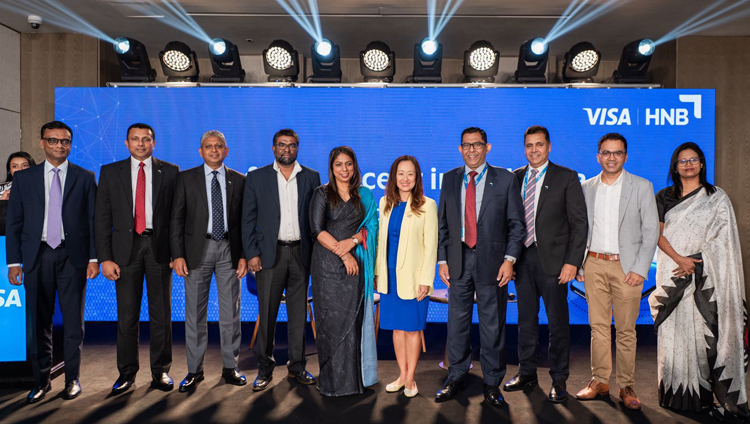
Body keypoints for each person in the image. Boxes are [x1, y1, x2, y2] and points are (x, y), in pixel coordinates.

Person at [649, 142, 749, 420]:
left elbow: (724, 239)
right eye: (682, 161)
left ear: (702, 163)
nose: (688, 164)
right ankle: (676, 395)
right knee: (674, 330)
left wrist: (696, 260)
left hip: (705, 274)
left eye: (693, 160)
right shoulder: (664, 196)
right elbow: (656, 234)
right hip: (672, 270)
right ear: (675, 166)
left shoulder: (717, 197)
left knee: (702, 333)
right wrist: (679, 259)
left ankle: (704, 396)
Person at [6, 121, 99, 403]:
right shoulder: (24, 178)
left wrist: (94, 258)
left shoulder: (85, 177)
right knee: (38, 323)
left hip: (74, 257)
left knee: (73, 324)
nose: (60, 145)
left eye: (65, 141)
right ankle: (41, 381)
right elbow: (14, 223)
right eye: (54, 140)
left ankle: (72, 379)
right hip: (37, 256)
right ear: (42, 143)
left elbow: (93, 222)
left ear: (71, 144)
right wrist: (13, 262)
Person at [435, 127, 525, 406]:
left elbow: (516, 225)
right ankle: (456, 377)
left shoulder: (505, 179)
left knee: (492, 327)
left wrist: (509, 260)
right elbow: (443, 223)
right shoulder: (450, 178)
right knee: (457, 325)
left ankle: (492, 384)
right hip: (458, 261)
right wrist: (442, 260)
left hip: (494, 264)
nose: (471, 150)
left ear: (488, 148)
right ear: (459, 149)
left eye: (477, 145)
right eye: (466, 145)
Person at [575, 133, 659, 410]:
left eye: (617, 153)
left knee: (625, 330)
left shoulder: (642, 186)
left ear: (625, 156)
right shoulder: (586, 187)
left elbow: (651, 231)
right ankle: (600, 381)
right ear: (598, 156)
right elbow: (580, 229)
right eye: (606, 152)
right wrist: (580, 264)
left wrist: (640, 269)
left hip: (628, 267)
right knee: (598, 327)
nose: (611, 157)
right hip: (594, 264)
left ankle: (626, 386)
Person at [94, 123, 180, 394]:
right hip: (124, 252)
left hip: (159, 250)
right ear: (126, 143)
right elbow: (101, 219)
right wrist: (105, 258)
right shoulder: (110, 172)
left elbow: (177, 218)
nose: (141, 144)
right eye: (135, 139)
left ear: (154, 143)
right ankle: (127, 373)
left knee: (161, 315)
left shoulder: (171, 171)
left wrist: (177, 253)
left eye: (146, 139)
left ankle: (161, 370)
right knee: (127, 316)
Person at [504, 126, 587, 402]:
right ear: (524, 148)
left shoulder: (566, 176)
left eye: (539, 145)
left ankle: (559, 378)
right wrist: (509, 259)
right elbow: (508, 223)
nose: (534, 150)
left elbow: (579, 224)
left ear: (549, 147)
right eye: (529, 145)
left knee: (557, 324)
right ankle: (527, 372)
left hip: (555, 262)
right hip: (523, 260)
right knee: (525, 321)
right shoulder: (515, 178)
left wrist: (572, 262)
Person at [242, 128, 321, 391]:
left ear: (298, 148)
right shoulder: (256, 177)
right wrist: (252, 254)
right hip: (268, 255)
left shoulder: (311, 176)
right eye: (282, 145)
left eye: (292, 145)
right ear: (273, 148)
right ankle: (264, 370)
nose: (287, 149)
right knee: (267, 315)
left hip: (300, 254)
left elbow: (315, 219)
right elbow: (247, 220)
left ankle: (297, 368)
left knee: (298, 315)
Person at [170, 130, 248, 392]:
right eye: (208, 146)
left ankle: (230, 367)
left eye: (218, 146)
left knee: (231, 314)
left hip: (229, 250)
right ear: (200, 151)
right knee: (194, 314)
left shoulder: (239, 180)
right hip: (196, 251)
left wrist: (244, 255)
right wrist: (177, 255)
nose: (214, 150)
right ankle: (194, 370)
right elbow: (176, 219)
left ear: (226, 150)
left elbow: (245, 222)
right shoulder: (185, 179)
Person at [309, 146, 378, 396]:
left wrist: (354, 241)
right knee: (331, 324)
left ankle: (354, 382)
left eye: (348, 164)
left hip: (355, 269)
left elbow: (372, 226)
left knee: (353, 323)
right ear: (331, 167)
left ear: (355, 166)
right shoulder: (321, 193)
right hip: (327, 267)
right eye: (338, 164)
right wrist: (345, 253)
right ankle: (332, 383)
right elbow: (317, 230)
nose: (344, 169)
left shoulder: (364, 194)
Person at [375, 155, 438, 398]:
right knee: (397, 330)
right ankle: (402, 375)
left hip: (414, 279)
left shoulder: (427, 205)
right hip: (389, 277)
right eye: (400, 173)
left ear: (417, 177)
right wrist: (377, 274)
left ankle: (411, 378)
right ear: (393, 177)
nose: (405, 178)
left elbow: (431, 247)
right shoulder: (385, 203)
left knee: (412, 329)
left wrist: (426, 280)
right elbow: (380, 242)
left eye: (410, 174)